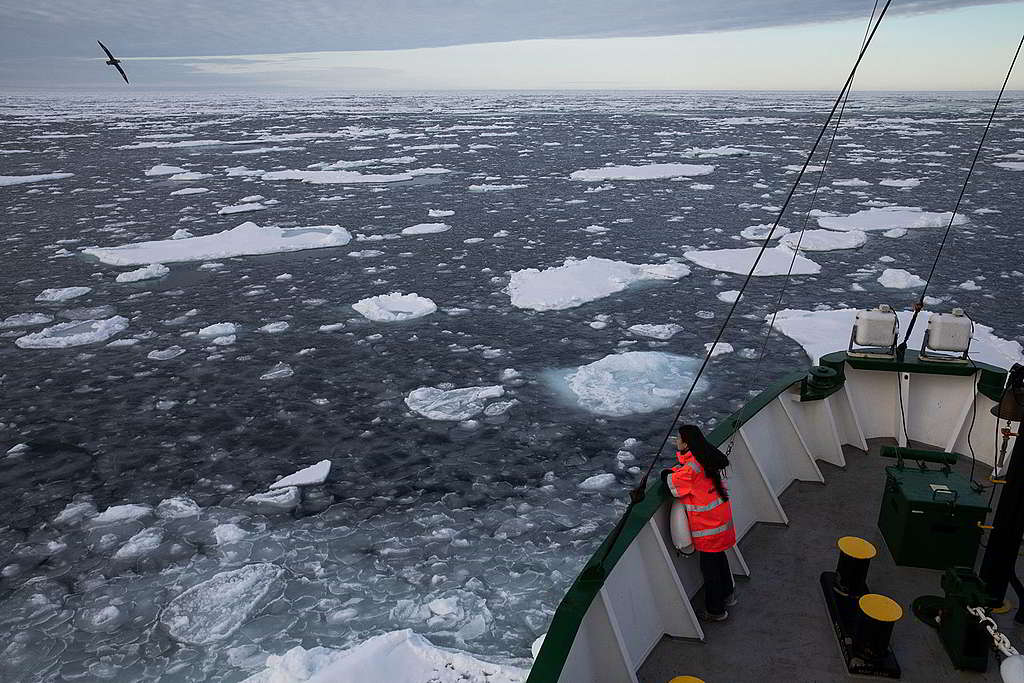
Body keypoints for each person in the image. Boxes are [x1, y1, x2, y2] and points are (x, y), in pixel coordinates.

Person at [663, 424, 736, 621]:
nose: (676, 441)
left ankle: (716, 611)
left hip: (708, 526)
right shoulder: (704, 456)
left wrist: (665, 474)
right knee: (719, 558)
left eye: (678, 438)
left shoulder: (691, 468)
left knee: (709, 569)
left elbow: (675, 486)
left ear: (686, 443)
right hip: (720, 520)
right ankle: (728, 594)